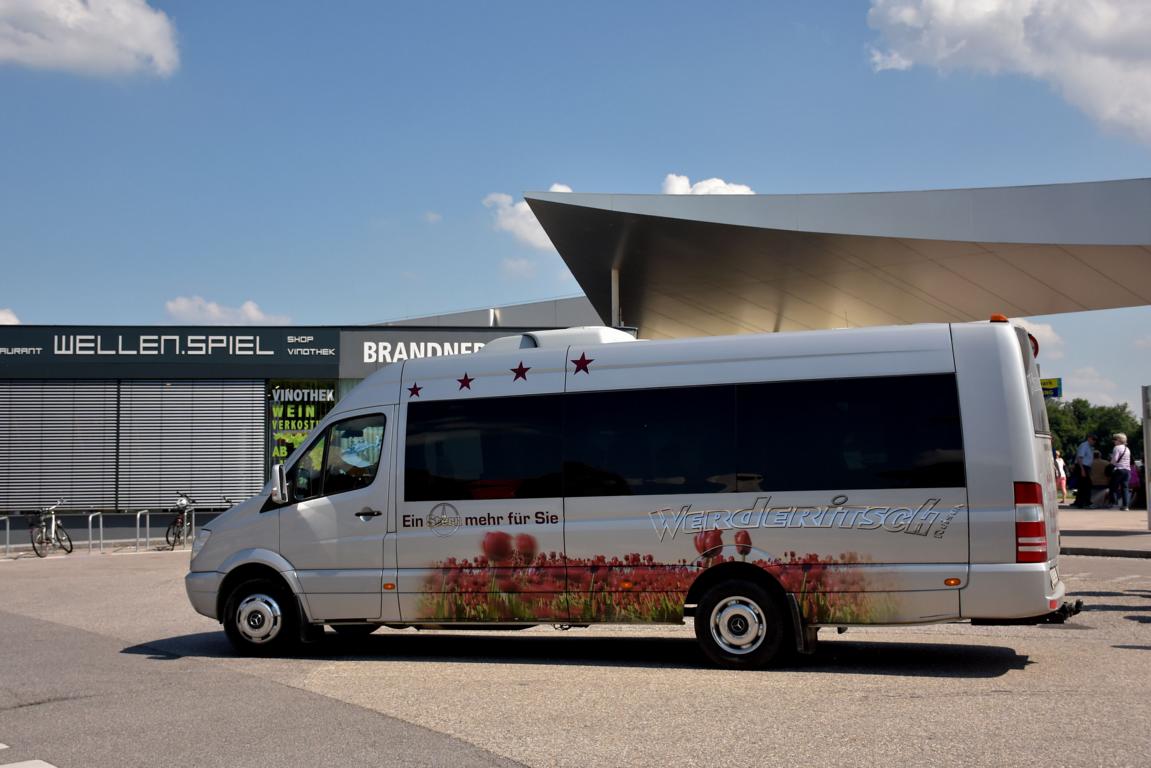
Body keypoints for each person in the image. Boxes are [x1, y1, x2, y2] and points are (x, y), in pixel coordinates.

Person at [1107, 433, 1132, 510]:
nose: (1113, 441)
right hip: (1127, 470)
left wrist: (1109, 466)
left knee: (1113, 487)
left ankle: (1114, 504)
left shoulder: (1117, 448)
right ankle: (1125, 505)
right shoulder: (1127, 449)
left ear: (1119, 440)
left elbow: (1114, 460)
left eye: (1115, 439)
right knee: (1125, 488)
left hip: (1119, 470)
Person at [1073, 434, 1097, 508]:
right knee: (1086, 485)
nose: (1094, 441)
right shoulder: (1084, 445)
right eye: (1093, 439)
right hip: (1082, 466)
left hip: (1086, 467)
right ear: (1089, 438)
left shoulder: (1090, 447)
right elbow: (1080, 458)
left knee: (1083, 485)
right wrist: (1082, 470)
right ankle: (1085, 502)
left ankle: (1080, 502)